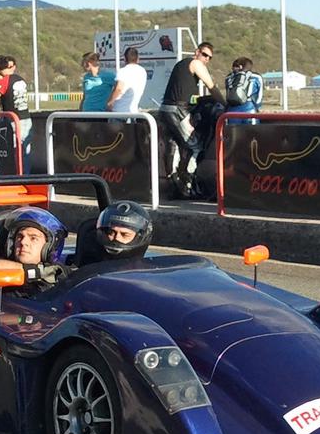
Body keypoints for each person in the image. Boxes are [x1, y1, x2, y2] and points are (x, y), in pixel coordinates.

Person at [159, 42, 225, 188]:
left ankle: (173, 182)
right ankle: (189, 182)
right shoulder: (195, 63)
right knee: (195, 146)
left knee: (174, 145)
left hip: (165, 109)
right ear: (197, 52)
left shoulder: (180, 65)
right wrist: (225, 105)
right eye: (205, 55)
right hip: (178, 110)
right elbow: (211, 86)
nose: (206, 59)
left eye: (209, 57)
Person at [0, 207, 69, 292]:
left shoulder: (60, 273)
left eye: (33, 238)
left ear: (49, 247)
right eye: (20, 236)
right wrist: (35, 272)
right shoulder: (4, 268)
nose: (23, 242)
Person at [73, 200, 153, 266]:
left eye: (124, 234)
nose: (117, 238)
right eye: (111, 232)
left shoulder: (147, 275)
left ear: (139, 237)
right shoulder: (87, 266)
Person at [105, 47, 147, 113]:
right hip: (133, 111)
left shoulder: (123, 71)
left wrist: (109, 103)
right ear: (138, 59)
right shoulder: (143, 71)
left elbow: (119, 88)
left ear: (124, 59)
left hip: (119, 112)